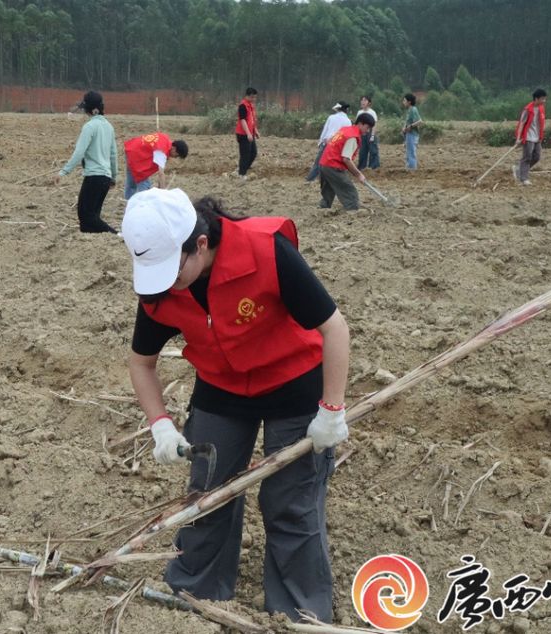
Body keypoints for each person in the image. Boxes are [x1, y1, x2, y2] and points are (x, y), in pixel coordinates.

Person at [121, 188, 351, 623]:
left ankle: (299, 613)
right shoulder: (160, 288)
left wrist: (332, 410)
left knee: (290, 503)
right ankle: (196, 593)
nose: (165, 282)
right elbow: (141, 362)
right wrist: (160, 425)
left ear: (200, 244)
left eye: (172, 269)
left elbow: (334, 328)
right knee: (208, 495)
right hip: (221, 386)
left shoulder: (265, 251)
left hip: (294, 384)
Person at [58, 91, 117, 233]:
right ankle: (98, 238)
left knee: (86, 215)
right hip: (105, 178)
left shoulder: (89, 127)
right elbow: (113, 155)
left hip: (94, 177)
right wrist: (113, 177)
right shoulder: (109, 127)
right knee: (89, 221)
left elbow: (79, 152)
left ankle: (117, 235)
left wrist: (64, 172)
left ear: (90, 109)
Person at [318, 113, 375, 212]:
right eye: (367, 127)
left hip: (324, 163)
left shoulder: (345, 130)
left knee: (329, 188)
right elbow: (346, 159)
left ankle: (323, 208)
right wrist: (358, 174)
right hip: (333, 165)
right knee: (349, 191)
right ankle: (352, 209)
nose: (368, 131)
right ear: (360, 124)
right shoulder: (353, 137)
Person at [123, 132, 189, 200]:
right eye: (176, 156)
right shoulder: (162, 152)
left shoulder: (165, 139)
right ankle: (145, 204)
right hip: (136, 156)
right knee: (145, 188)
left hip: (132, 148)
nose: (174, 157)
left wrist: (160, 188)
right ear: (174, 149)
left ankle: (128, 201)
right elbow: (161, 174)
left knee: (131, 182)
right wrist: (163, 194)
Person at [305, 101, 351, 182]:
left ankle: (310, 178)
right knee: (333, 164)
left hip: (326, 143)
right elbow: (347, 136)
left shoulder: (331, 117)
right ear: (346, 110)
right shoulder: (348, 121)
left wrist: (320, 142)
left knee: (319, 162)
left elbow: (325, 130)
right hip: (337, 146)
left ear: (338, 109)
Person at [512, 88, 548, 185]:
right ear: (536, 99)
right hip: (528, 137)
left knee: (537, 157)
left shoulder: (541, 109)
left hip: (537, 137)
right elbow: (521, 124)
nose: (544, 101)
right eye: (542, 99)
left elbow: (541, 122)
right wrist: (518, 138)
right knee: (527, 157)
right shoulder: (527, 110)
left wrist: (541, 134)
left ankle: (519, 170)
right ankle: (524, 178)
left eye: (545, 99)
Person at [235, 87, 260, 180]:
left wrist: (255, 131)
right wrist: (248, 133)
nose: (254, 99)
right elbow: (243, 120)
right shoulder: (243, 106)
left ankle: (242, 169)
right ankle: (242, 174)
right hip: (243, 134)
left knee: (253, 153)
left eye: (255, 97)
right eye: (252, 97)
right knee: (245, 155)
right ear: (247, 96)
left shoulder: (251, 106)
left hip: (250, 133)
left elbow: (252, 120)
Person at [356, 95, 380, 170]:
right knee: (362, 151)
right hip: (361, 134)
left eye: (365, 100)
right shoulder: (359, 112)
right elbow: (357, 124)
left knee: (373, 151)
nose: (363, 102)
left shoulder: (372, 112)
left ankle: (374, 167)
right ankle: (361, 167)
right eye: (362, 100)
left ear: (369, 103)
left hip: (370, 133)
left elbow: (375, 124)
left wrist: (372, 135)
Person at [401, 93, 423, 170]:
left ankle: (412, 170)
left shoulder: (413, 109)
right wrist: (404, 128)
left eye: (404, 100)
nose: (403, 102)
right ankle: (409, 169)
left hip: (412, 135)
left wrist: (410, 126)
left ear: (409, 102)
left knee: (411, 153)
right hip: (409, 134)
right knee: (408, 153)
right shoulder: (409, 110)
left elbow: (420, 121)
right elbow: (408, 122)